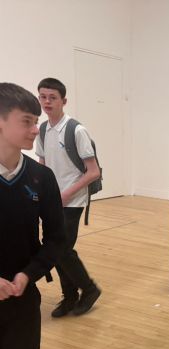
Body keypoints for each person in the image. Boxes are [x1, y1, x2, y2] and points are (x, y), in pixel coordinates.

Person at [0, 82, 65, 349]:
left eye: (36, 122)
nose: (34, 130)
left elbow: (57, 240)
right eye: (26, 121)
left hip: (22, 303)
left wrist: (29, 274)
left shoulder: (41, 177)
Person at [35, 78, 101, 318]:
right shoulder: (43, 130)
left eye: (52, 97)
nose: (47, 102)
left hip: (72, 201)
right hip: (52, 200)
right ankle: (70, 296)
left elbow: (93, 171)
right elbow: (42, 165)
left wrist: (66, 193)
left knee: (61, 249)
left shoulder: (77, 130)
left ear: (64, 101)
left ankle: (90, 289)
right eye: (43, 97)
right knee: (56, 249)